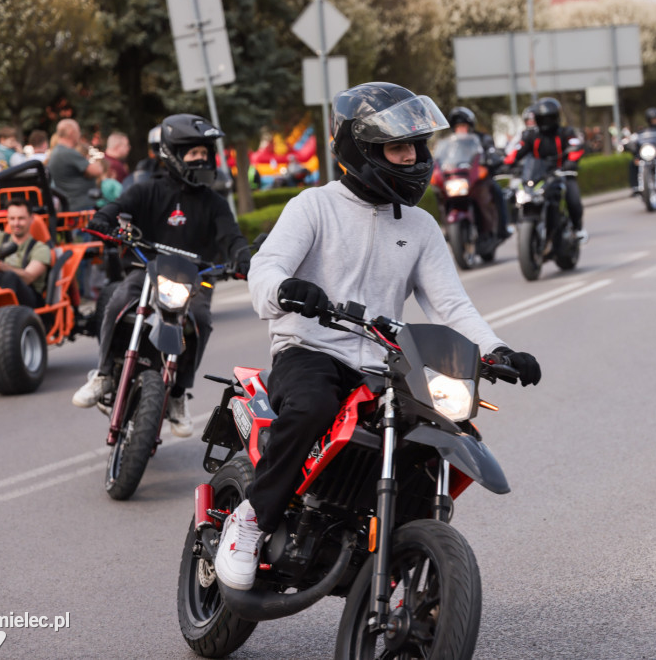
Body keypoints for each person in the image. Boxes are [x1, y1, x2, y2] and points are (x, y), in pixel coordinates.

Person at [214, 82, 542, 592]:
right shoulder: (313, 207)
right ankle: (252, 518)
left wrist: (497, 351)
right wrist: (286, 288)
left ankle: (405, 549)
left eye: (415, 146)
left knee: (439, 430)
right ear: (359, 149)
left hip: (382, 361)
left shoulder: (422, 226)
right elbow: (265, 270)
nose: (412, 158)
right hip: (310, 349)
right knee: (311, 406)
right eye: (398, 147)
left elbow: (451, 305)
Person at [71, 113, 252, 438]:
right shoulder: (146, 190)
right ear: (172, 154)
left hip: (197, 280)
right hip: (148, 271)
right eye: (193, 153)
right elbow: (118, 206)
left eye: (204, 153)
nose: (202, 159)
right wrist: (104, 218)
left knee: (201, 319)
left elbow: (232, 238)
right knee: (118, 302)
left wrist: (242, 258)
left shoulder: (215, 202)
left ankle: (179, 394)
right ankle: (101, 375)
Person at [503, 97, 588, 242]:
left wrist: (571, 162)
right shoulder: (531, 135)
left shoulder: (565, 132)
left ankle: (577, 229)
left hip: (561, 174)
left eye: (549, 118)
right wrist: (505, 163)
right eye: (542, 118)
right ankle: (515, 224)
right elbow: (518, 151)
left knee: (573, 199)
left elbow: (575, 146)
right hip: (537, 176)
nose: (546, 122)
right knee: (513, 194)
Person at [448, 105, 511, 239]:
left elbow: (491, 152)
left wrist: (493, 159)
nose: (461, 129)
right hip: (460, 180)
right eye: (458, 126)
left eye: (463, 125)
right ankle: (448, 229)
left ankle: (502, 228)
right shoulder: (451, 144)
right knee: (442, 194)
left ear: (470, 126)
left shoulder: (483, 139)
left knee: (498, 192)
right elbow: (443, 159)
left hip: (479, 180)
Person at [0, 197, 51, 308]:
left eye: (21, 218)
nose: (16, 223)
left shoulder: (40, 248)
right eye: (12, 219)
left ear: (31, 219)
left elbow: (28, 277)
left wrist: (2, 267)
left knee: (10, 277)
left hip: (29, 301)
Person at [48, 118, 102, 211]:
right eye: (78, 131)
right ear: (72, 132)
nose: (80, 135)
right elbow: (97, 171)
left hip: (71, 205)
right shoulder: (67, 152)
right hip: (79, 207)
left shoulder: (57, 152)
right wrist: (91, 166)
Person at [627, 107, 656, 194]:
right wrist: (636, 154)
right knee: (632, 162)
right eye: (653, 120)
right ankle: (635, 186)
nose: (655, 121)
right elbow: (637, 143)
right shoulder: (644, 132)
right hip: (649, 156)